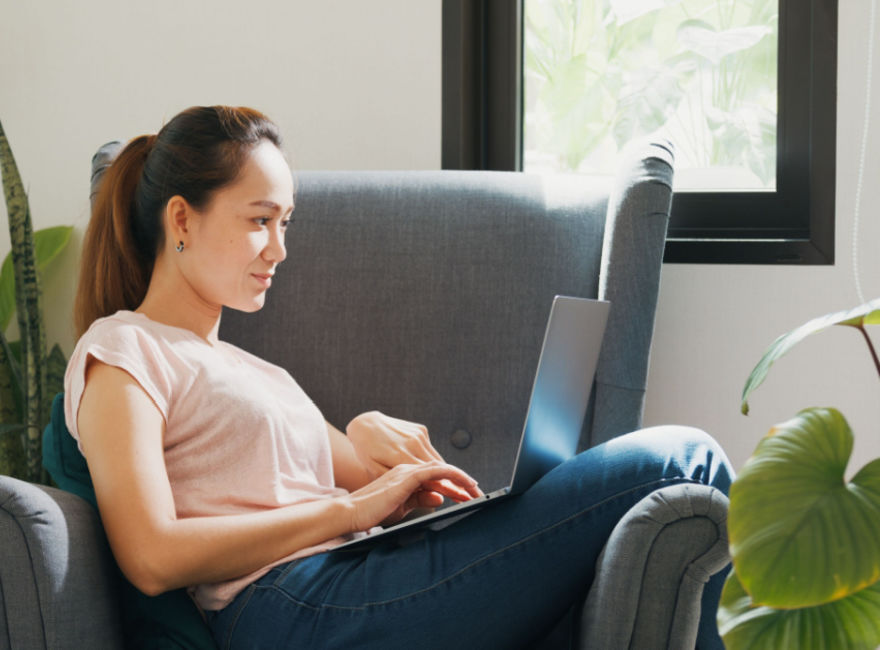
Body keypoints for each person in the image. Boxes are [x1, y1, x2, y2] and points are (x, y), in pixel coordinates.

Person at [66, 105, 734, 649]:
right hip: (290, 606)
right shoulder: (124, 350)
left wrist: (389, 465)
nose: (280, 249)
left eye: (286, 223)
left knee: (677, 467)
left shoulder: (254, 370)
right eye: (260, 221)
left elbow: (367, 475)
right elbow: (150, 555)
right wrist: (346, 512)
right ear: (181, 219)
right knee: (684, 458)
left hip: (358, 574)